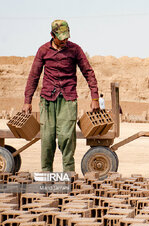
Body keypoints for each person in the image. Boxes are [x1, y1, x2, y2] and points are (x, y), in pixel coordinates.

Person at [23, 20, 100, 172]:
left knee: (67, 137)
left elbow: (88, 72)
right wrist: (27, 101)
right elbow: (33, 76)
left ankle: (69, 174)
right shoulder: (43, 51)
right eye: (61, 37)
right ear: (53, 35)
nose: (65, 40)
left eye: (67, 36)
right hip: (47, 100)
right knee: (47, 138)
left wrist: (95, 97)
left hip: (68, 99)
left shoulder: (75, 50)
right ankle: (46, 173)